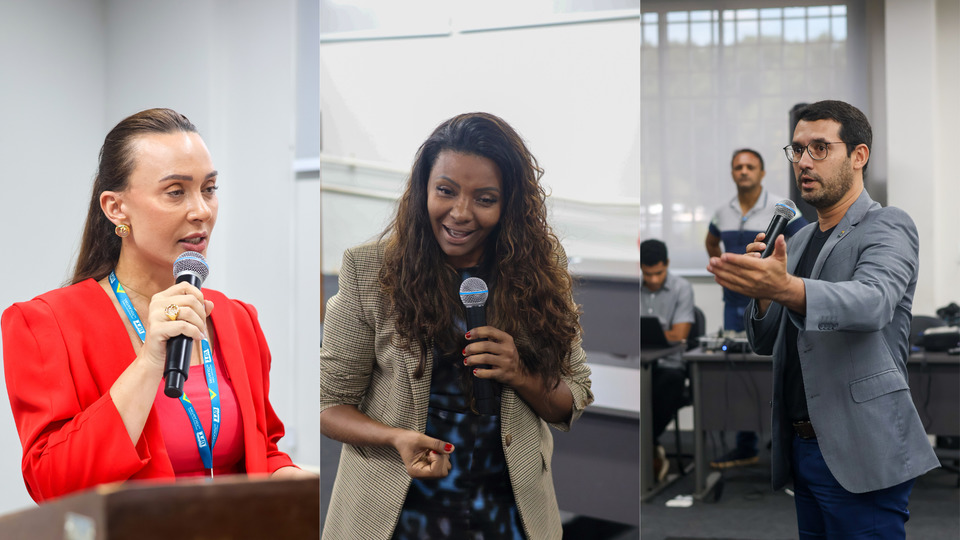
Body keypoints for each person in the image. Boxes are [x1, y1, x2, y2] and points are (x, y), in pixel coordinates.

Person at [2, 108, 315, 503]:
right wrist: (150, 362)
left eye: (210, 188)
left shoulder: (236, 319)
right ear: (116, 208)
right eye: (176, 192)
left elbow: (261, 453)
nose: (201, 209)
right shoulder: (44, 323)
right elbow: (50, 482)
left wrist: (299, 482)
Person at [319, 112, 594, 539]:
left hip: (506, 509)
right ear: (423, 190)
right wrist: (395, 438)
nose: (460, 213)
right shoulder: (370, 270)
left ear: (510, 205)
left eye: (484, 198)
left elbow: (571, 398)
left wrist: (520, 373)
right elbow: (328, 402)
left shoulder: (537, 275)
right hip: (397, 509)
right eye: (445, 191)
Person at [707, 100, 939, 539]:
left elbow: (873, 302)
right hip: (804, 445)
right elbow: (763, 341)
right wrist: (760, 297)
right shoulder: (796, 241)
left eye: (819, 148)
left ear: (858, 156)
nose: (803, 162)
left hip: (860, 444)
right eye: (797, 150)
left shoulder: (887, 225)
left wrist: (784, 289)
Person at [705, 148, 808, 469]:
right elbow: (711, 242)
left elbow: (806, 242)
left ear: (762, 173)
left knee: (774, 370)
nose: (744, 171)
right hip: (733, 304)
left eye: (750, 167)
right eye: (738, 167)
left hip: (771, 304)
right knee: (736, 373)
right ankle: (745, 445)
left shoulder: (781, 208)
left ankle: (780, 440)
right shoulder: (723, 211)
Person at [639, 239, 695, 482]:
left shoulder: (682, 288)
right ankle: (647, 448)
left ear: (668, 264)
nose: (652, 280)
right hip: (639, 364)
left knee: (669, 382)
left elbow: (680, 335)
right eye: (647, 273)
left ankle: (645, 444)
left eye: (658, 273)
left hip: (670, 365)